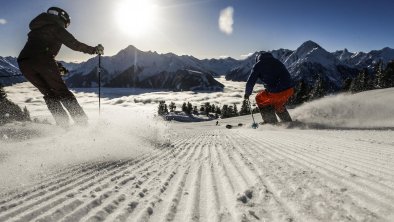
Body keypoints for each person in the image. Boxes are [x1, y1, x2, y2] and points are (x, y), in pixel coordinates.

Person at [17, 7, 104, 127]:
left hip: (23, 63)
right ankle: (82, 124)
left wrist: (55, 66)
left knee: (49, 94)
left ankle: (63, 124)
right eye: (66, 24)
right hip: (43, 60)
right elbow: (74, 44)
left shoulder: (38, 28)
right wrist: (94, 50)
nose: (65, 26)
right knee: (62, 91)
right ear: (62, 19)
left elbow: (37, 50)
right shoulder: (56, 27)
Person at [244, 52, 294, 124]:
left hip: (276, 91)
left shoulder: (258, 65)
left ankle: (271, 121)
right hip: (289, 89)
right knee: (278, 104)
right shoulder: (277, 61)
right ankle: (287, 121)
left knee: (259, 98)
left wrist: (247, 93)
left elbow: (251, 81)